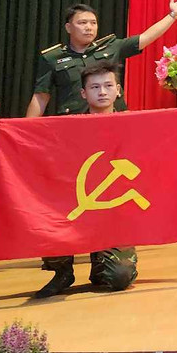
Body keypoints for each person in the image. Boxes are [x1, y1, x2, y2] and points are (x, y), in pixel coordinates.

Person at [35, 63, 138, 298]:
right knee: (47, 216)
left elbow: (169, 135)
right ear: (83, 93)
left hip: (115, 214)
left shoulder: (134, 124)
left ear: (118, 90)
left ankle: (102, 266)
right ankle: (62, 272)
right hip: (74, 209)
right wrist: (2, 130)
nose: (102, 92)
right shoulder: (67, 127)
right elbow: (31, 142)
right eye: (94, 87)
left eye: (108, 86)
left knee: (120, 277)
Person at [26, 0, 177, 117]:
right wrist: (27, 132)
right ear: (68, 28)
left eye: (93, 23)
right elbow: (41, 97)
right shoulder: (53, 57)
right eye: (82, 23)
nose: (89, 27)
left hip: (113, 119)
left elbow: (146, 38)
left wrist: (173, 15)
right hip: (74, 123)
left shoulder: (110, 47)